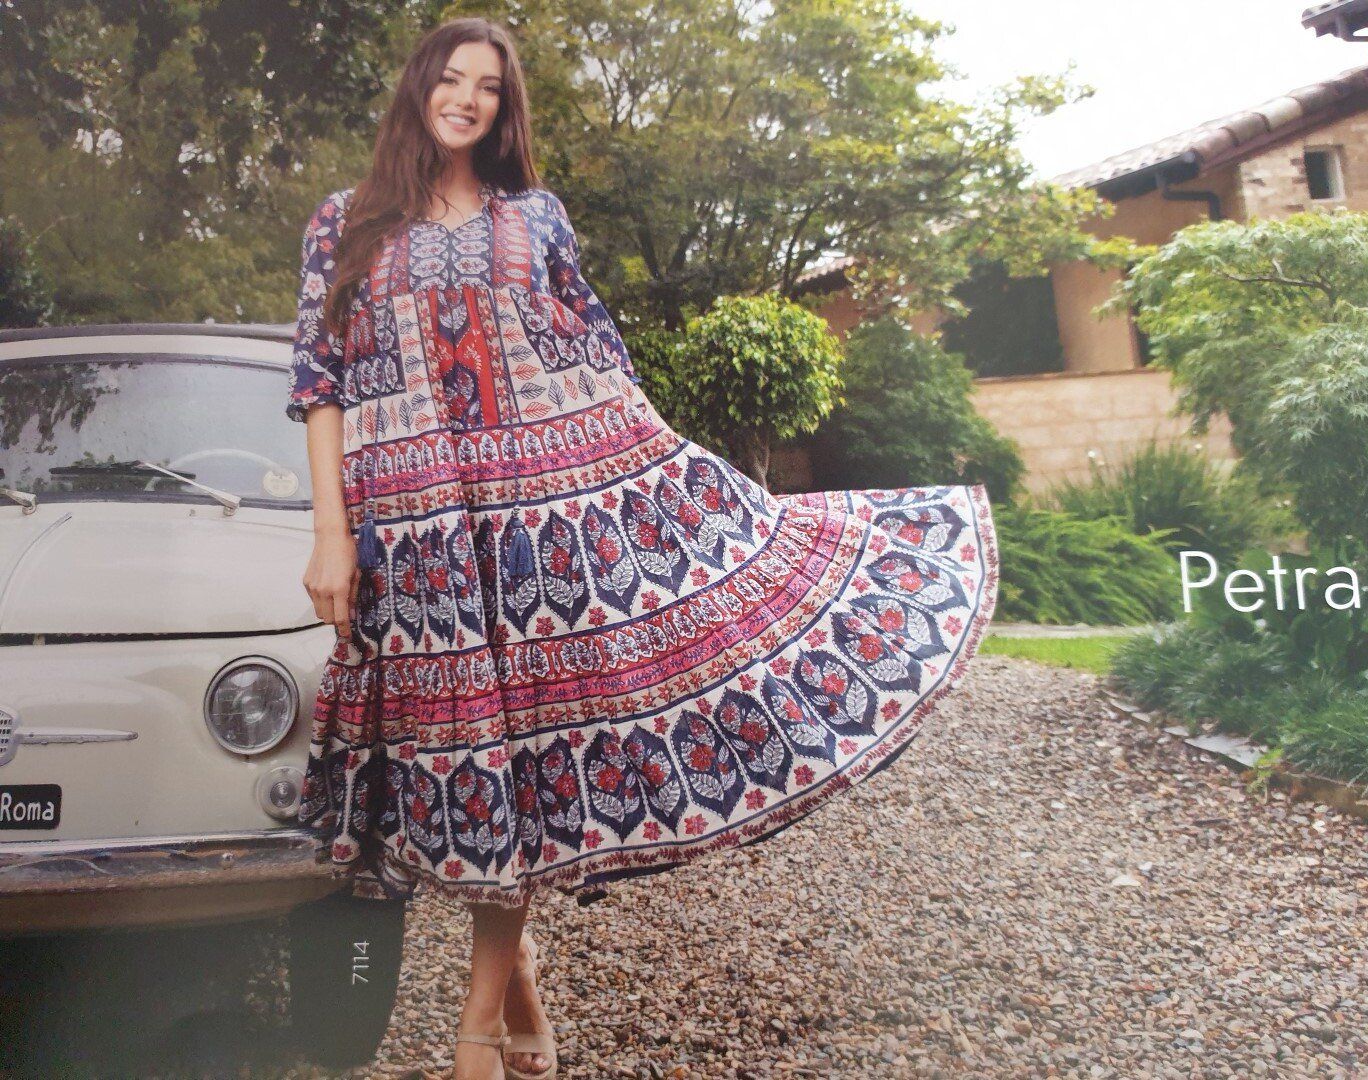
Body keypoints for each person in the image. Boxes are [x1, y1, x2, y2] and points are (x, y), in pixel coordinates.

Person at [286, 16, 998, 1080]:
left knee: (517, 760)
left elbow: (597, 361)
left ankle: (475, 1034)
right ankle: (519, 989)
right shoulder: (344, 224)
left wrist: (670, 487)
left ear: (503, 108)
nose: (468, 99)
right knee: (452, 760)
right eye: (452, 77)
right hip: (410, 537)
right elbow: (319, 386)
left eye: (488, 86)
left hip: (531, 532)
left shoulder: (536, 218)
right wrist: (332, 539)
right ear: (418, 86)